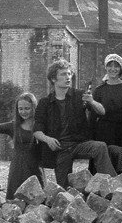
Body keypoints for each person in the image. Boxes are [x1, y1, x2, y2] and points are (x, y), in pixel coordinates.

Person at [34, 58, 117, 187]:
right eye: (63, 74)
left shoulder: (80, 95)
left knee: (100, 147)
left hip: (79, 143)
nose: (68, 77)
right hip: (60, 148)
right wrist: (48, 139)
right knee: (63, 187)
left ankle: (112, 184)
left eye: (69, 74)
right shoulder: (45, 102)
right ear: (53, 79)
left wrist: (92, 102)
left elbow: (102, 112)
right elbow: (37, 130)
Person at [0, 93, 43, 201]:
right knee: (14, 202)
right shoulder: (13, 126)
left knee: (38, 203)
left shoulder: (41, 126)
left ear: (34, 108)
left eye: (27, 108)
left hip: (35, 168)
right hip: (17, 168)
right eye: (20, 109)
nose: (23, 112)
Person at [88, 53, 122, 149]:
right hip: (104, 132)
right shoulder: (99, 90)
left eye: (116, 66)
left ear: (120, 68)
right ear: (106, 68)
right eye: (110, 66)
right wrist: (91, 138)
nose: (113, 69)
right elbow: (92, 116)